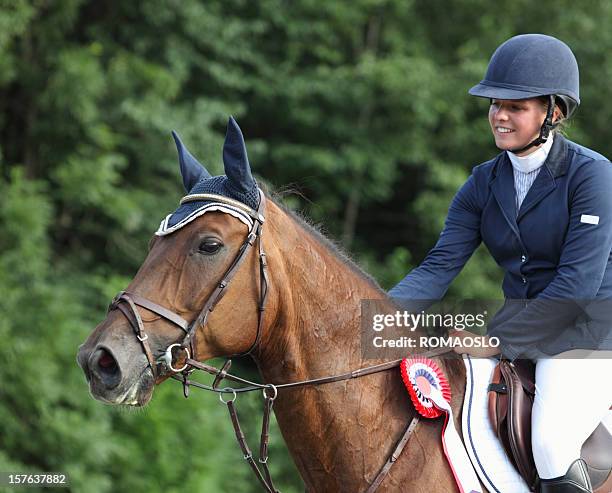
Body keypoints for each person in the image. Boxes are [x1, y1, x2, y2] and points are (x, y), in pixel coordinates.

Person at [389, 34, 612, 493]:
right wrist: (372, 317)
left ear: (554, 112)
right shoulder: (483, 183)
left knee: (550, 444)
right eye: (495, 103)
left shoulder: (594, 176)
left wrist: (495, 339)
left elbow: (575, 285)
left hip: (589, 335)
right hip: (520, 328)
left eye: (516, 106)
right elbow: (438, 267)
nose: (500, 115)